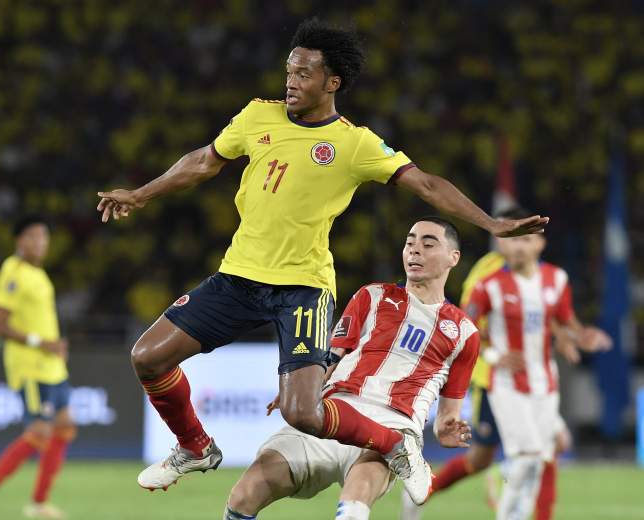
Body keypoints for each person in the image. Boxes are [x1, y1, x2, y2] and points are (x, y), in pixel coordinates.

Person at [96, 18, 547, 492]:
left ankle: (395, 445)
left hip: (303, 288)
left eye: (305, 74)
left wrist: (493, 224)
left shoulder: (355, 144)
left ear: (333, 83)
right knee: (148, 357)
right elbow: (205, 161)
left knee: (302, 412)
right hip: (238, 277)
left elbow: (427, 184)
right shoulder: (257, 116)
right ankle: (195, 446)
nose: (292, 81)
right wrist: (142, 194)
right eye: (289, 71)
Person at [223, 217, 480, 520]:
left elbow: (447, 416)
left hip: (394, 424)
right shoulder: (371, 296)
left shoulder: (464, 332)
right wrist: (303, 387)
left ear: (454, 257)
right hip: (332, 411)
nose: (415, 251)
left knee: (355, 502)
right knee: (245, 493)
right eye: (410, 243)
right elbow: (330, 359)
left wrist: (447, 430)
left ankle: (398, 454)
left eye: (428, 244)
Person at [401, 241, 593, 520]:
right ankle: (423, 491)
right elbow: (469, 321)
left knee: (553, 444)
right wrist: (493, 355)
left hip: (534, 383)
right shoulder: (487, 273)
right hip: (494, 382)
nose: (516, 243)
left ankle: (524, 489)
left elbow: (540, 311)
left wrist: (562, 335)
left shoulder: (541, 275)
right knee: (480, 459)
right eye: (510, 235)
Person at [458, 207, 610, 520]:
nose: (519, 246)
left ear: (539, 244)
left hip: (545, 383)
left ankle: (521, 510)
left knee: (540, 457)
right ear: (501, 244)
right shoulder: (488, 285)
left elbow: (565, 320)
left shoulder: (557, 279)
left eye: (526, 239)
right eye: (513, 240)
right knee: (526, 458)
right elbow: (466, 327)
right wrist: (494, 355)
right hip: (506, 384)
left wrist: (581, 336)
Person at [0, 216, 74, 520]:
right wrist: (43, 343)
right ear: (19, 240)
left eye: (44, 237)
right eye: (34, 237)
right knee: (39, 433)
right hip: (31, 367)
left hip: (52, 365)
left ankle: (38, 504)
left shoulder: (37, 273)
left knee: (64, 428)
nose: (41, 243)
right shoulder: (12, 272)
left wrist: (55, 346)